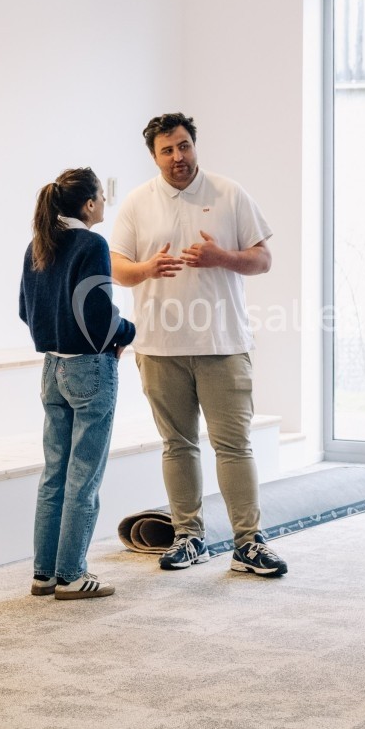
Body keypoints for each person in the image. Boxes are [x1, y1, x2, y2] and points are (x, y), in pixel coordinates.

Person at [109, 112, 287, 577]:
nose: (178, 157)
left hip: (223, 344)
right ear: (154, 155)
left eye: (184, 146)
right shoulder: (136, 203)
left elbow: (263, 258)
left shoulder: (229, 193)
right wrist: (147, 269)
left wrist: (220, 257)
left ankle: (248, 543)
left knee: (234, 446)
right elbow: (117, 267)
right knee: (178, 445)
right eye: (167, 150)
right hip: (158, 347)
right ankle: (188, 538)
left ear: (194, 146)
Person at [20, 168, 134, 599]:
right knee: (83, 475)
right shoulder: (92, 243)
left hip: (51, 369)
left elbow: (23, 308)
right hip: (90, 368)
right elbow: (100, 315)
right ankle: (72, 574)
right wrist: (128, 333)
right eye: (102, 196)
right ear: (88, 204)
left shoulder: (38, 244)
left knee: (54, 474)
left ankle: (44, 574)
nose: (105, 203)